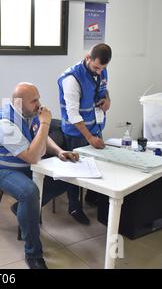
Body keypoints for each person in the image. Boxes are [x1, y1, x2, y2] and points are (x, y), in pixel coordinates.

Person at [0, 82, 86, 269]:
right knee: (30, 192)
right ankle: (33, 254)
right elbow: (32, 156)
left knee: (66, 179)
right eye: (34, 101)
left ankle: (21, 209)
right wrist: (46, 122)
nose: (39, 104)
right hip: (0, 170)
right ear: (18, 103)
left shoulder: (28, 114)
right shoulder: (4, 125)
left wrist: (59, 151)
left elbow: (42, 136)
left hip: (23, 166)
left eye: (38, 98)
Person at [57, 43, 112, 205]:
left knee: (98, 165)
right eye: (96, 67)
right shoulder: (71, 79)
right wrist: (89, 138)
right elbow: (72, 114)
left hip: (95, 126)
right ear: (88, 58)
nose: (100, 72)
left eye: (103, 68)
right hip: (76, 132)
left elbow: (103, 89)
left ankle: (92, 199)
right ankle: (74, 207)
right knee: (76, 171)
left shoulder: (101, 69)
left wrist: (108, 99)